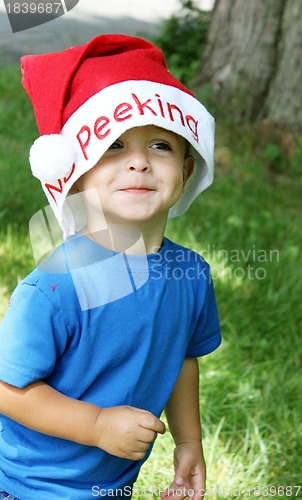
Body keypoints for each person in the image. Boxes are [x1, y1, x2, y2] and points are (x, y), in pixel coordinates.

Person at [0, 34, 221, 500]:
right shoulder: (56, 287)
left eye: (160, 145)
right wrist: (96, 424)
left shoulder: (191, 274)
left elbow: (183, 357)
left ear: (185, 171)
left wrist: (189, 441)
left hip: (113, 483)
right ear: (77, 174)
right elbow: (7, 387)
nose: (139, 162)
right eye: (114, 146)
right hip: (27, 484)